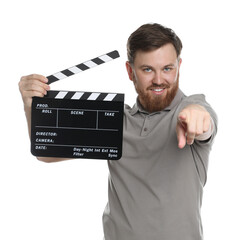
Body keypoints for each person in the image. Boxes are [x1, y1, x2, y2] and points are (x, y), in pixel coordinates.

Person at [19, 23, 218, 240]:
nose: (159, 80)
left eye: (167, 68)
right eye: (148, 69)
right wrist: (30, 104)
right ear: (130, 71)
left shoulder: (191, 107)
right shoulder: (115, 121)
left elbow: (203, 120)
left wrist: (198, 119)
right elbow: (46, 151)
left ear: (179, 66)